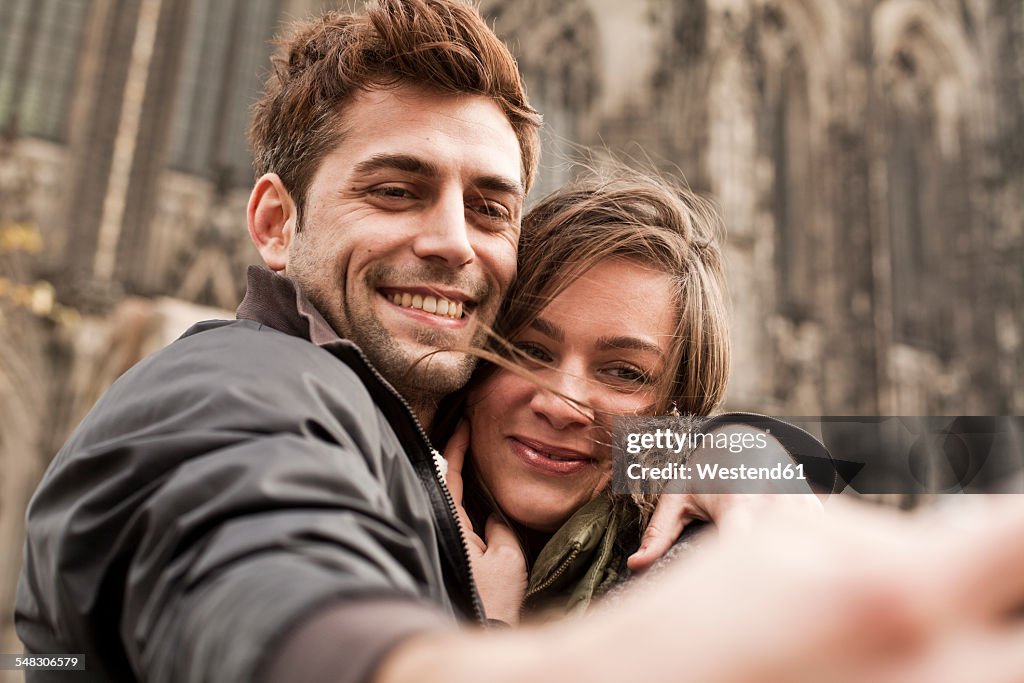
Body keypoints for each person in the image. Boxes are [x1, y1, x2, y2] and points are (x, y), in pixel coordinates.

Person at [15, 2, 1024, 683]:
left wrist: (737, 453)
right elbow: (265, 587)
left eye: (489, 206)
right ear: (275, 223)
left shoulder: (456, 436)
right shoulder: (241, 393)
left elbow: (956, 446)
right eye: (394, 188)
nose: (450, 239)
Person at [446, 170, 826, 621]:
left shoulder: (699, 577)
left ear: (675, 412)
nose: (560, 404)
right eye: (529, 350)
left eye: (624, 373)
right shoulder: (372, 507)